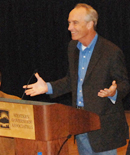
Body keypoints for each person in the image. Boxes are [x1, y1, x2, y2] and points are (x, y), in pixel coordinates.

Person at [23, 3, 130, 155]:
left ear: (90, 24)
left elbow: (124, 84)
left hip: (103, 129)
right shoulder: (73, 47)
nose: (69, 28)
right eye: (69, 23)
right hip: (80, 124)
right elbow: (71, 81)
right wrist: (48, 87)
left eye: (75, 23)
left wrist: (114, 92)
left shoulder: (111, 52)